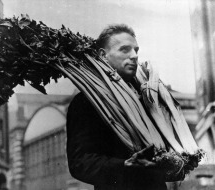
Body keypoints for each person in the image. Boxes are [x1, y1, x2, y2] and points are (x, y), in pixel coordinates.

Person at [66, 24, 193, 190]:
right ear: (103, 56)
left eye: (136, 50)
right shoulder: (86, 101)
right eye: (125, 50)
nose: (134, 56)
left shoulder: (148, 94)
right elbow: (80, 163)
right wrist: (126, 166)